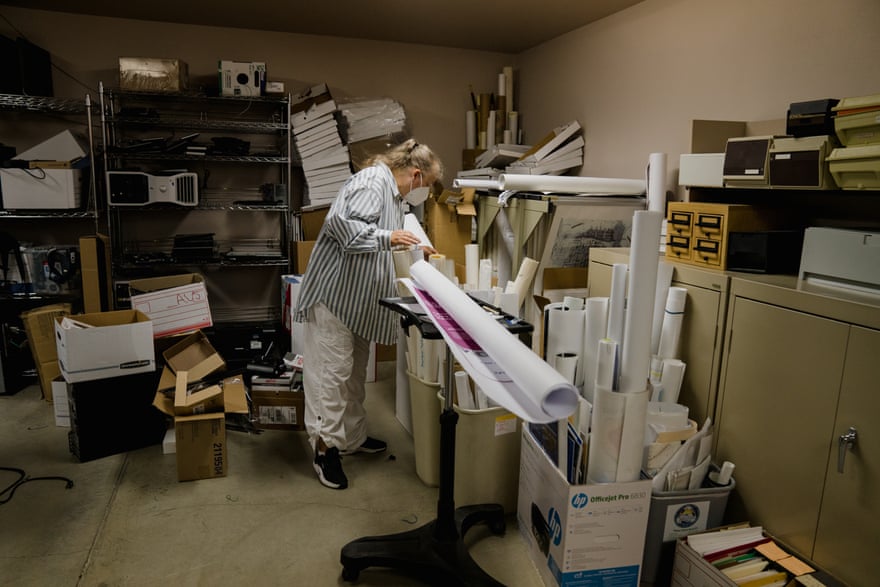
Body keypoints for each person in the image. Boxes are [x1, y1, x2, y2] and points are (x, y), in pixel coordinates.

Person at [295, 139, 444, 489]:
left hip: (356, 301)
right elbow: (343, 228)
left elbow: (390, 232)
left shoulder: (394, 196)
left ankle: (350, 439)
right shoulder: (373, 182)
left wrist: (415, 243)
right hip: (335, 297)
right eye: (428, 184)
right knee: (331, 375)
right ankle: (324, 447)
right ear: (416, 174)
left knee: (353, 374)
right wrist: (390, 238)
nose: (426, 191)